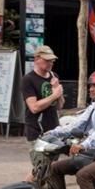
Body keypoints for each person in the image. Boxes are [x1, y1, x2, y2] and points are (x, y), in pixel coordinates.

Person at [21, 45, 64, 181]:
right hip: (36, 131)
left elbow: (60, 105)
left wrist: (58, 91)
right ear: (37, 59)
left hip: (53, 130)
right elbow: (33, 107)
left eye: (52, 60)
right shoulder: (28, 80)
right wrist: (53, 95)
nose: (50, 63)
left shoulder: (54, 76)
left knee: (50, 170)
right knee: (40, 169)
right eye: (47, 60)